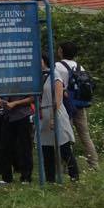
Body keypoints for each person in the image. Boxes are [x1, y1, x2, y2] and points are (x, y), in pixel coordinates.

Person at [56, 41, 99, 170]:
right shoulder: (80, 67)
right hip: (80, 106)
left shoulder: (57, 66)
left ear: (62, 51)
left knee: (65, 137)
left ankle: (65, 165)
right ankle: (94, 164)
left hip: (65, 106)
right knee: (85, 136)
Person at [40, 54, 80, 182]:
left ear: (45, 61)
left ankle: (74, 176)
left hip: (56, 114)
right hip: (43, 116)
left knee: (64, 148)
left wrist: (53, 118)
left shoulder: (55, 75)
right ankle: (50, 179)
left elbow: (58, 98)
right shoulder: (39, 77)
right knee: (46, 149)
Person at [0, 93, 34, 184]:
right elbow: (0, 97)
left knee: (24, 147)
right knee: (4, 147)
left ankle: (26, 177)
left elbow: (32, 98)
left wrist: (16, 103)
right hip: (7, 117)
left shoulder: (25, 79)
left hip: (22, 116)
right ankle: (6, 177)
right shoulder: (4, 81)